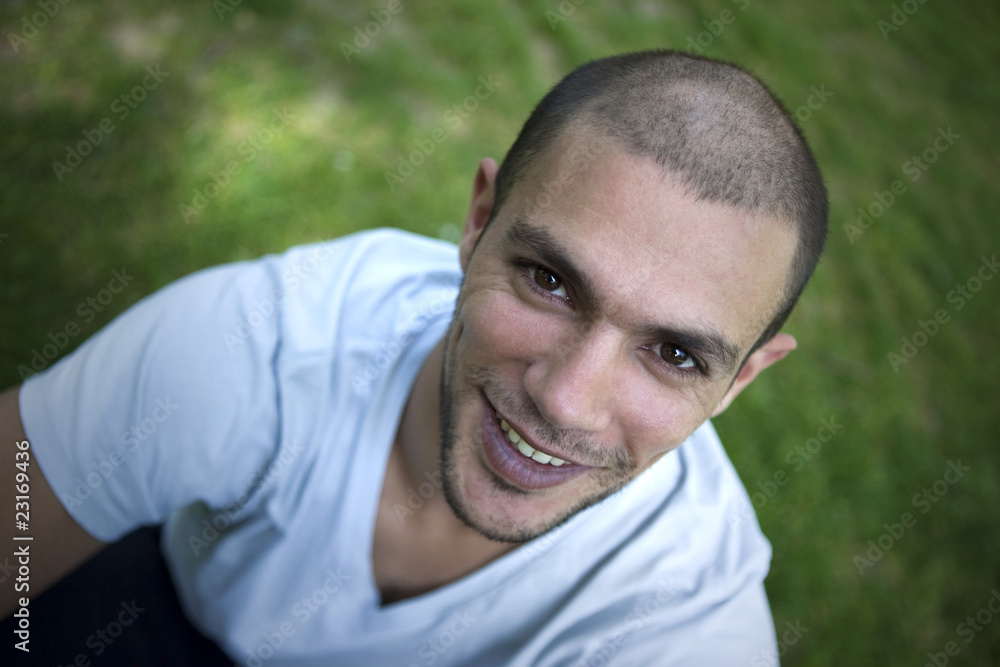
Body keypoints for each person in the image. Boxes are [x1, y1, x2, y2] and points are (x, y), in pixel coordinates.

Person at [1, 49, 827, 665]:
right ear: (478, 222)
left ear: (740, 380)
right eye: (548, 281)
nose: (566, 400)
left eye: (674, 353)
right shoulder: (261, 345)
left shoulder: (686, 615)